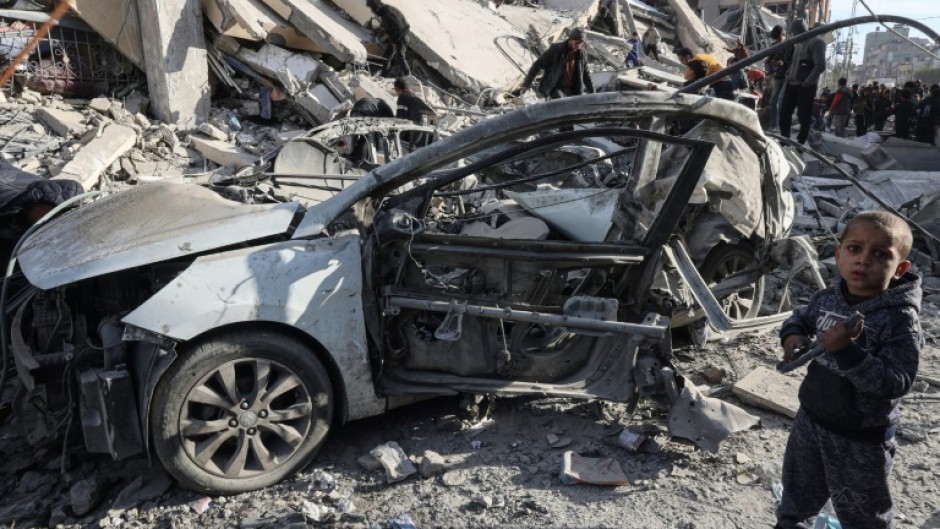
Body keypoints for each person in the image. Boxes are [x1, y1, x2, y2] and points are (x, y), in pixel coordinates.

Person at [776, 210, 922, 529]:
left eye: (880, 254)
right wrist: (792, 335)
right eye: (854, 249)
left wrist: (848, 353)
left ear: (900, 269)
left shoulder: (900, 321)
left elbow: (895, 382)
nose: (863, 261)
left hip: (859, 438)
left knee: (861, 514)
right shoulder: (830, 297)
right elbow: (802, 316)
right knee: (797, 499)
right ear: (838, 254)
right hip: (811, 420)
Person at [778, 19, 825, 144]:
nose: (793, 36)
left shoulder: (817, 42)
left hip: (805, 87)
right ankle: (784, 139)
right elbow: (795, 63)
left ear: (799, 32)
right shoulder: (798, 43)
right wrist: (788, 73)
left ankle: (800, 142)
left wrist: (807, 82)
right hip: (792, 84)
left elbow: (820, 65)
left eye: (794, 33)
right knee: (784, 113)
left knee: (803, 116)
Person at [517, 27, 595, 99]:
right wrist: (527, 83)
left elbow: (586, 75)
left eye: (580, 44)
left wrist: (593, 93)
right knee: (561, 103)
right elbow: (538, 64)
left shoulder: (582, 54)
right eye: (576, 43)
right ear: (571, 39)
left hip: (573, 88)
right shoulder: (556, 50)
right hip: (555, 87)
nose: (578, 46)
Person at [366, 0, 410, 77]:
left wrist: (394, 42)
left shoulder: (387, 14)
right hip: (397, 35)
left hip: (401, 36)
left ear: (375, 7)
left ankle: (408, 75)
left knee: (400, 56)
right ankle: (384, 74)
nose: (371, 11)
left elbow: (397, 28)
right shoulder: (387, 9)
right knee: (387, 55)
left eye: (371, 8)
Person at [393, 77, 436, 147]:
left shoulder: (402, 97)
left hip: (419, 122)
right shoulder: (413, 96)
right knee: (422, 149)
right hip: (429, 121)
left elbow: (399, 120)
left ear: (398, 89)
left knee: (412, 148)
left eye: (394, 90)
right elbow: (431, 113)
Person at [764, 25, 791, 131]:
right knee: (773, 101)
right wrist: (773, 64)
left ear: (782, 35)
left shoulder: (790, 45)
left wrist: (783, 63)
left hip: (787, 76)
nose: (777, 40)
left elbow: (792, 61)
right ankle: (774, 125)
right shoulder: (773, 46)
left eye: (778, 38)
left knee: (781, 100)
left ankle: (780, 125)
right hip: (777, 76)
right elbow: (767, 61)